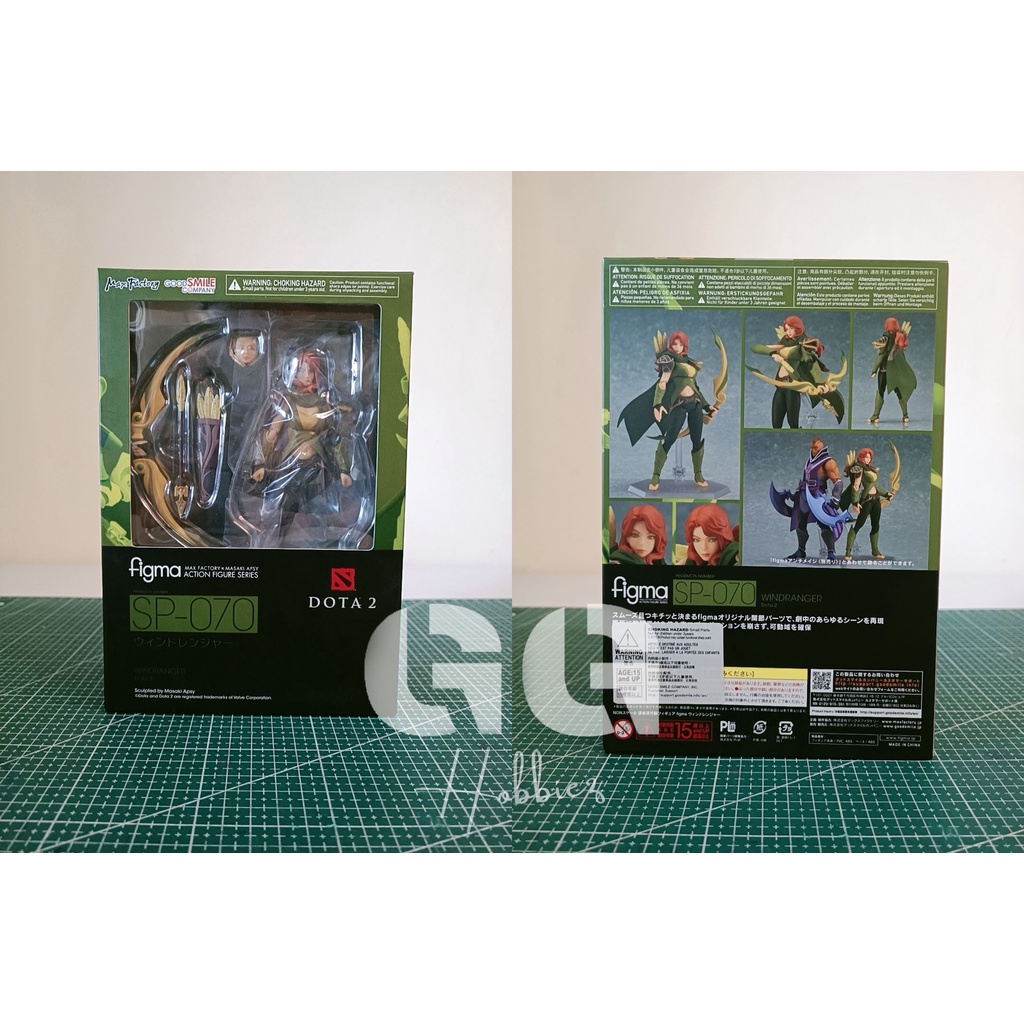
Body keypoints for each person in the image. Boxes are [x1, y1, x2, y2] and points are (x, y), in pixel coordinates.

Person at [250, 347, 353, 541]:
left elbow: (334, 439)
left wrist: (344, 469)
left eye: (311, 371)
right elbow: (272, 433)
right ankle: (275, 542)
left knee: (318, 513)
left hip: (317, 468)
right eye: (301, 370)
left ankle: (322, 546)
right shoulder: (286, 401)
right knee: (283, 511)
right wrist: (260, 463)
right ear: (292, 372)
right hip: (289, 466)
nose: (306, 375)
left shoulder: (324, 404)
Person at [618, 331, 719, 491]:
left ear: (684, 345)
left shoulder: (689, 362)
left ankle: (698, 474)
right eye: (674, 344)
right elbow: (662, 383)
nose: (677, 347)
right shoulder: (669, 360)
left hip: (695, 404)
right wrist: (657, 405)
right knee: (670, 438)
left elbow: (696, 388)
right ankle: (656, 475)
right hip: (679, 404)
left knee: (697, 439)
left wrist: (707, 407)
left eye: (680, 344)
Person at [749, 315, 845, 428]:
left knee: (792, 422)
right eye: (786, 329)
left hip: (793, 388)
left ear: (797, 328)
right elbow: (756, 348)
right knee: (776, 422)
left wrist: (819, 383)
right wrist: (772, 353)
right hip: (780, 387)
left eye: (791, 328)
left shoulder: (803, 345)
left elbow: (813, 364)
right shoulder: (785, 342)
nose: (788, 332)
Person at [770, 438, 847, 561]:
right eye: (812, 447)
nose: (813, 450)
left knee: (823, 523)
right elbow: (805, 480)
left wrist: (836, 498)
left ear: (821, 449)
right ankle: (801, 550)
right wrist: (796, 494)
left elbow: (837, 481)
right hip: (804, 496)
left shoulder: (828, 462)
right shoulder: (809, 461)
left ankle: (831, 552)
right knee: (800, 522)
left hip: (817, 497)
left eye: (816, 448)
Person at [839, 447, 894, 561]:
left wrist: (886, 494)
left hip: (876, 500)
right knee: (858, 525)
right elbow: (856, 486)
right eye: (865, 457)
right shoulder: (859, 468)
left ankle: (875, 550)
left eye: (869, 457)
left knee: (876, 525)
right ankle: (848, 552)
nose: (867, 459)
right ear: (861, 457)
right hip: (867, 500)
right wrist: (855, 502)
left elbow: (874, 487)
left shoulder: (870, 469)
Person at [869, 317, 916, 425]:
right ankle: (905, 416)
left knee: (880, 391)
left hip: (884, 370)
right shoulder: (899, 336)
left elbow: (881, 355)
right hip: (895, 371)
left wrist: (874, 370)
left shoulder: (886, 337)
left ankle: (875, 416)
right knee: (899, 392)